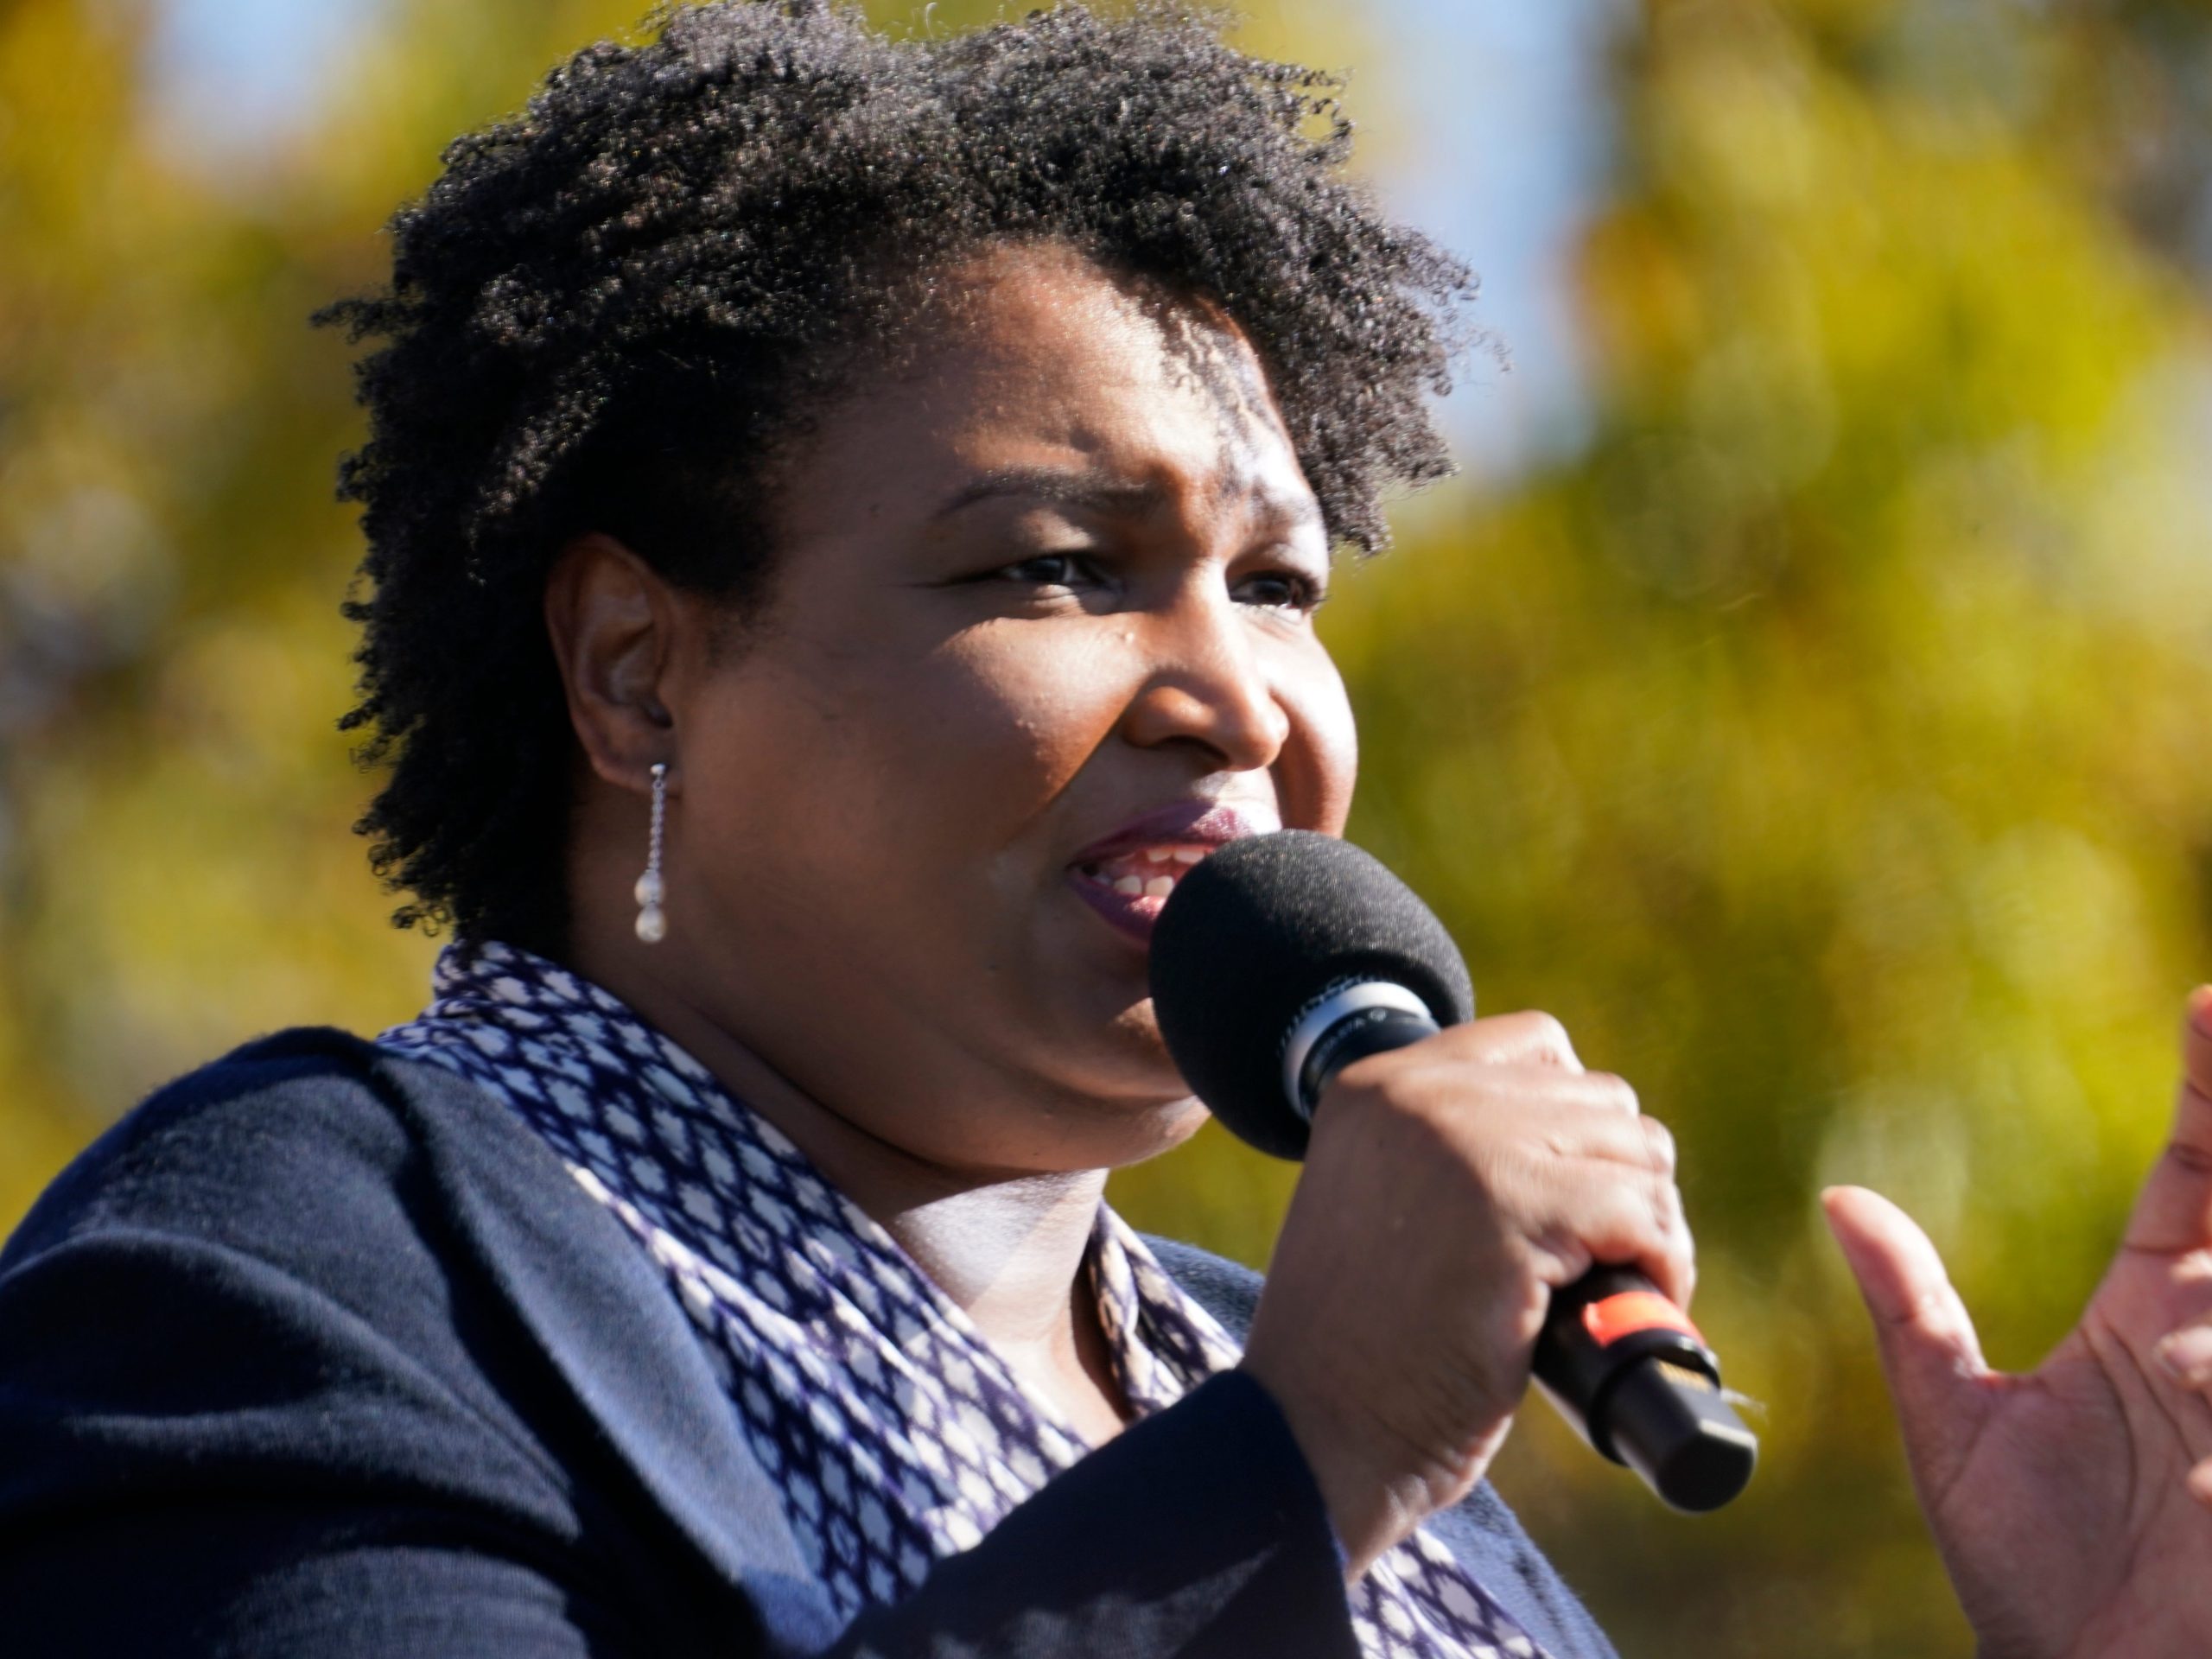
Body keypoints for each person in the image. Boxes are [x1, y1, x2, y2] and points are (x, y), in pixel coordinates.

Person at [0, 3, 2207, 1655]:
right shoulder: (282, 1286)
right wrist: (1290, 1476)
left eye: (1276, 586)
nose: (1235, 691)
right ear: (635, 669)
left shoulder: (1293, 1387)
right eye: (1053, 567)